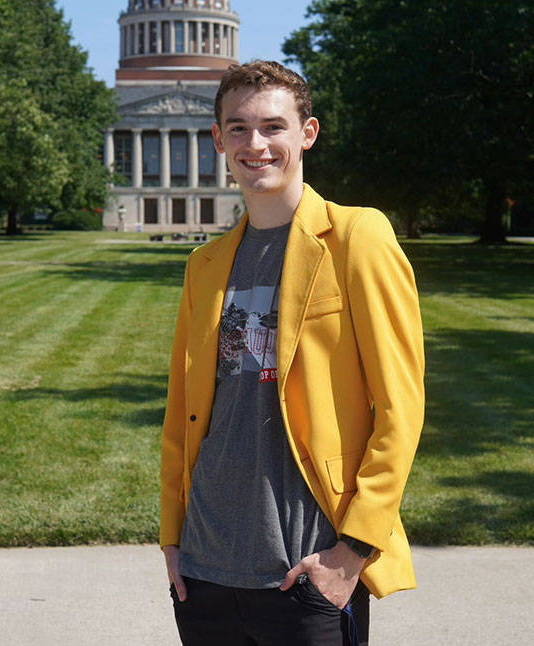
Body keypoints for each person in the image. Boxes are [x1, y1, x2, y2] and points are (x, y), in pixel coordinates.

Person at [159, 60, 425, 646]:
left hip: (306, 570)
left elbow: (400, 412)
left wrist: (351, 553)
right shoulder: (204, 265)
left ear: (307, 134)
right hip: (204, 571)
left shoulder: (357, 237)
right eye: (238, 128)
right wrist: (172, 540)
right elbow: (183, 415)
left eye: (273, 127)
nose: (256, 144)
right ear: (218, 139)